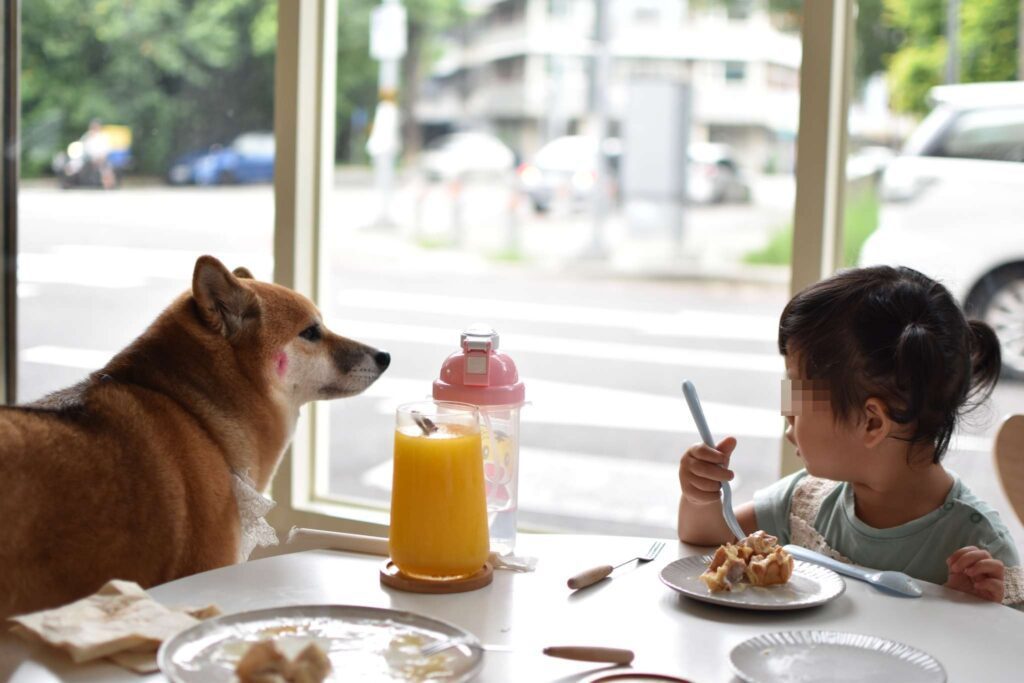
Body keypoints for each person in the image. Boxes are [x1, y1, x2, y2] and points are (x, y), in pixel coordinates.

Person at [677, 265, 1022, 606]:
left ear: (872, 423)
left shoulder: (979, 549)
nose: (786, 412)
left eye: (797, 397)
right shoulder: (806, 502)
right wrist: (701, 497)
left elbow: (1002, 653)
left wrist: (973, 610)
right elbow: (708, 537)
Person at [81, 119, 116, 189]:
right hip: (89, 159)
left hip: (102, 158)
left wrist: (101, 157)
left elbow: (107, 149)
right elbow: (84, 149)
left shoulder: (104, 136)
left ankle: (108, 184)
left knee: (106, 167)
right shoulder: (86, 137)